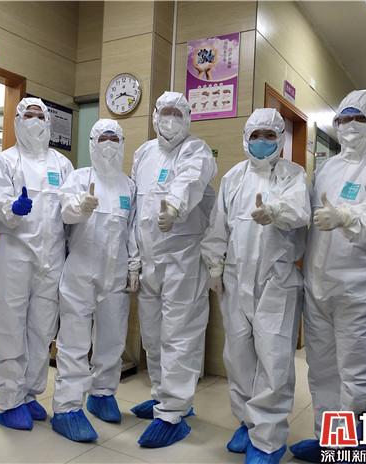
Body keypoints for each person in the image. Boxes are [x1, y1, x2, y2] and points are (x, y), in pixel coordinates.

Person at [290, 89, 366, 462]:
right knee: (323, 372)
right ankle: (330, 443)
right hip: (319, 286)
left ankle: (354, 452)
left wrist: (348, 215)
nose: (347, 126)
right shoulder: (328, 168)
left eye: (357, 119)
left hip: (360, 290)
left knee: (359, 377)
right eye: (342, 119)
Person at [201, 108, 310, 464]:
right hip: (236, 279)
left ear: (280, 139)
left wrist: (275, 213)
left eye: (269, 135)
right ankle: (247, 422)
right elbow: (218, 226)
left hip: (277, 280)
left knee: (274, 358)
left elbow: (300, 212)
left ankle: (269, 438)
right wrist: (214, 264)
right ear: (245, 138)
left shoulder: (293, 174)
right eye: (255, 135)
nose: (262, 141)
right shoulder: (233, 177)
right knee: (237, 356)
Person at [129, 91, 216, 448]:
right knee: (152, 335)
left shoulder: (196, 150)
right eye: (164, 111)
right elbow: (135, 208)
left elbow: (190, 180)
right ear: (154, 115)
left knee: (179, 335)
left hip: (183, 260)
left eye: (177, 113)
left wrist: (175, 207)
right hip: (150, 260)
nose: (170, 118)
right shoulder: (143, 153)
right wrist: (134, 258)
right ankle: (162, 394)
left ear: (188, 118)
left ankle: (174, 411)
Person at [0, 97, 74, 431]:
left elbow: (69, 210)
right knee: (9, 326)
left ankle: (29, 393)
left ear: (49, 121)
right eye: (28, 115)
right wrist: (12, 208)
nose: (35, 121)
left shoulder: (62, 164)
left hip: (52, 256)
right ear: (17, 120)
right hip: (15, 253)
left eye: (40, 115)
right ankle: (8, 400)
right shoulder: (5, 161)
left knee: (42, 328)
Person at [51, 119, 139, 442]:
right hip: (81, 271)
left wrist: (134, 265)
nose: (109, 143)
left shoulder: (128, 186)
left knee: (112, 338)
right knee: (74, 341)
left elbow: (132, 230)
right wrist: (80, 206)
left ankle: (102, 394)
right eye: (103, 137)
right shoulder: (78, 177)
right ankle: (67, 407)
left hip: (115, 274)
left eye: (114, 137)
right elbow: (64, 213)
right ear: (92, 142)